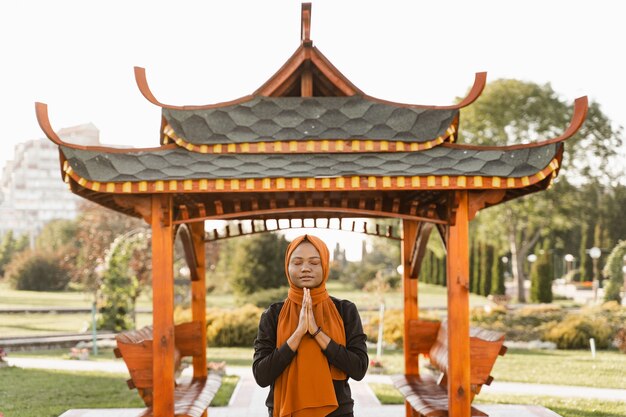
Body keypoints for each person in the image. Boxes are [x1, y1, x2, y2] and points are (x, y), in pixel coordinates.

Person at [253, 234, 369, 417]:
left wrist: (316, 332)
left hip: (337, 412)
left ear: (324, 266)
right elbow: (261, 375)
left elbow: (358, 369)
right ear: (287, 267)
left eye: (314, 263)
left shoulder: (345, 310)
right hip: (285, 410)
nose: (305, 268)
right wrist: (298, 334)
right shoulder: (273, 315)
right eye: (297, 262)